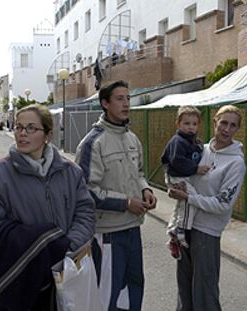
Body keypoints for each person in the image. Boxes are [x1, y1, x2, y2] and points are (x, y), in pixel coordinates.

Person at [0, 104, 96, 310]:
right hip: (20, 283)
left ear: (48, 134)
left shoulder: (71, 172)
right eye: (18, 127)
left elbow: (85, 212)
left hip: (65, 273)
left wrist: (66, 248)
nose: (22, 134)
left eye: (31, 128)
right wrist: (37, 255)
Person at [75, 80, 157, 311]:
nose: (126, 103)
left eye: (128, 98)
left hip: (133, 227)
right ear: (105, 104)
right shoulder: (93, 142)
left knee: (134, 287)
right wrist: (126, 203)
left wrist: (145, 190)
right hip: (108, 233)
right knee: (108, 294)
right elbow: (87, 190)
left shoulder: (132, 138)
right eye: (120, 99)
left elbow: (139, 173)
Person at [168, 105, 246, 311]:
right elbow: (177, 174)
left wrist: (189, 197)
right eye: (223, 123)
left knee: (204, 290)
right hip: (185, 225)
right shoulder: (199, 150)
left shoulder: (236, 163)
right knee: (184, 288)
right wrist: (173, 188)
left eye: (233, 125)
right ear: (215, 122)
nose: (227, 129)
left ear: (237, 129)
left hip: (207, 231)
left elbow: (222, 204)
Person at [161, 105, 209, 259]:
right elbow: (177, 160)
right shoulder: (179, 141)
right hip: (177, 177)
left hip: (180, 177)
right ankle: (181, 229)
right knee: (190, 200)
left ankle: (173, 233)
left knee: (181, 204)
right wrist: (196, 169)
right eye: (186, 124)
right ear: (178, 124)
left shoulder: (191, 141)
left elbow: (197, 150)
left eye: (194, 124)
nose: (191, 127)